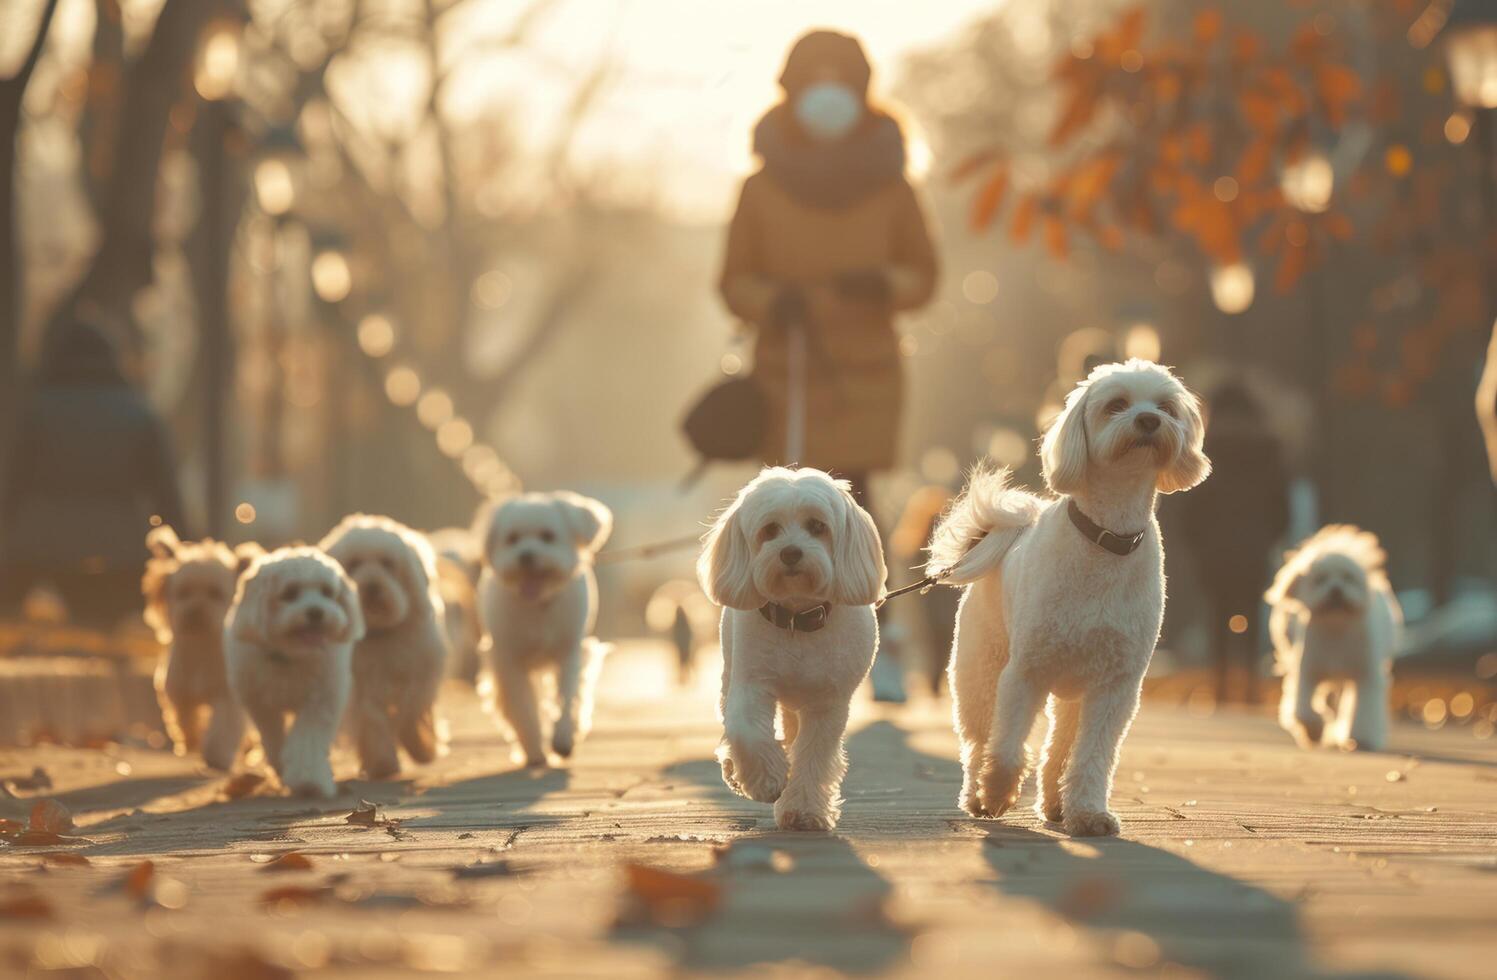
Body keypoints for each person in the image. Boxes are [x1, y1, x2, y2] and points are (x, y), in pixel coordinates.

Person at [719, 29, 939, 701]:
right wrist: (773, 299)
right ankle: (765, 647)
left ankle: (883, 641)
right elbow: (732, 280)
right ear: (790, 91)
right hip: (786, 369)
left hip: (864, 372)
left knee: (858, 511)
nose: (826, 95)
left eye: (838, 80)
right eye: (812, 80)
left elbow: (924, 275)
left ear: (862, 92)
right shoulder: (759, 187)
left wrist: (882, 286)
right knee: (780, 515)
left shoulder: (893, 185)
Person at [0, 316, 187, 629]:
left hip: (39, 558)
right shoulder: (140, 413)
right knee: (113, 643)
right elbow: (167, 497)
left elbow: (11, 485)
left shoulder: (33, 412)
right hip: (122, 558)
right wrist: (182, 553)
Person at [1177, 381, 1291, 704]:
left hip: (1214, 550)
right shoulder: (1269, 450)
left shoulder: (1207, 448)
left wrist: (1195, 541)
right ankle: (1252, 685)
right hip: (1255, 546)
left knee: (1218, 614)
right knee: (1252, 615)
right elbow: (1280, 506)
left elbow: (1192, 504)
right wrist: (1270, 537)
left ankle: (1221, 686)